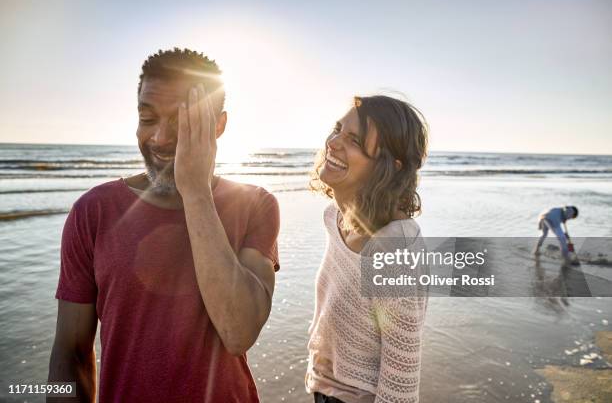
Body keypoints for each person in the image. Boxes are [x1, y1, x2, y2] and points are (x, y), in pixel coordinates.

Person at [47, 48, 280, 402]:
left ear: (218, 125)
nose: (159, 138)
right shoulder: (92, 212)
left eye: (181, 120)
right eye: (148, 118)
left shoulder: (256, 205)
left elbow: (239, 330)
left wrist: (196, 192)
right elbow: (71, 353)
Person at [306, 95, 429, 403]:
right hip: (323, 388)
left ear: (387, 168)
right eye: (337, 129)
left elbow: (401, 381)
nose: (333, 142)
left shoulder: (395, 250)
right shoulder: (334, 218)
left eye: (354, 141)